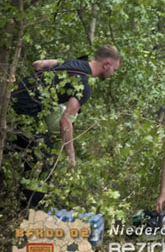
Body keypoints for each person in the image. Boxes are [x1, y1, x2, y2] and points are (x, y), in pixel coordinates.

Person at [10, 45, 122, 207]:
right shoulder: (84, 85)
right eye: (114, 70)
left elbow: (38, 64)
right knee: (44, 161)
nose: (113, 74)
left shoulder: (74, 63)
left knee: (22, 149)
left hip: (15, 97)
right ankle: (29, 213)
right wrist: (71, 157)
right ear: (106, 65)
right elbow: (65, 122)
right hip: (25, 110)